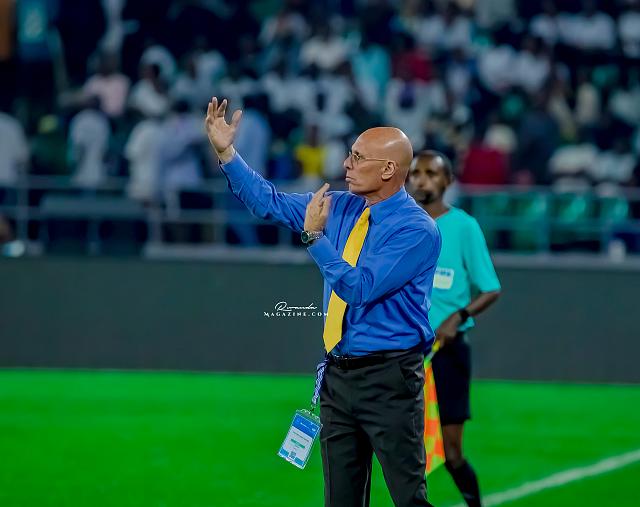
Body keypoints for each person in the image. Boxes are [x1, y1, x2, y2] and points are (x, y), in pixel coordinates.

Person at [205, 97, 441, 507]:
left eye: (358, 157)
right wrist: (227, 154)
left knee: (409, 499)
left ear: (388, 170)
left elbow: (359, 287)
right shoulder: (342, 207)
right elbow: (269, 202)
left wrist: (314, 239)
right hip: (338, 376)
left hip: (390, 380)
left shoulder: (416, 230)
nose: (346, 164)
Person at [409, 151, 501, 507]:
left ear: (447, 181)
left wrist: (457, 317)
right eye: (416, 173)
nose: (422, 180)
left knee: (451, 450)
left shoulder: (464, 227)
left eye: (431, 173)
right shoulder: (400, 223)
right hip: (405, 353)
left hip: (446, 354)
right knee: (402, 447)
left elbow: (490, 288)